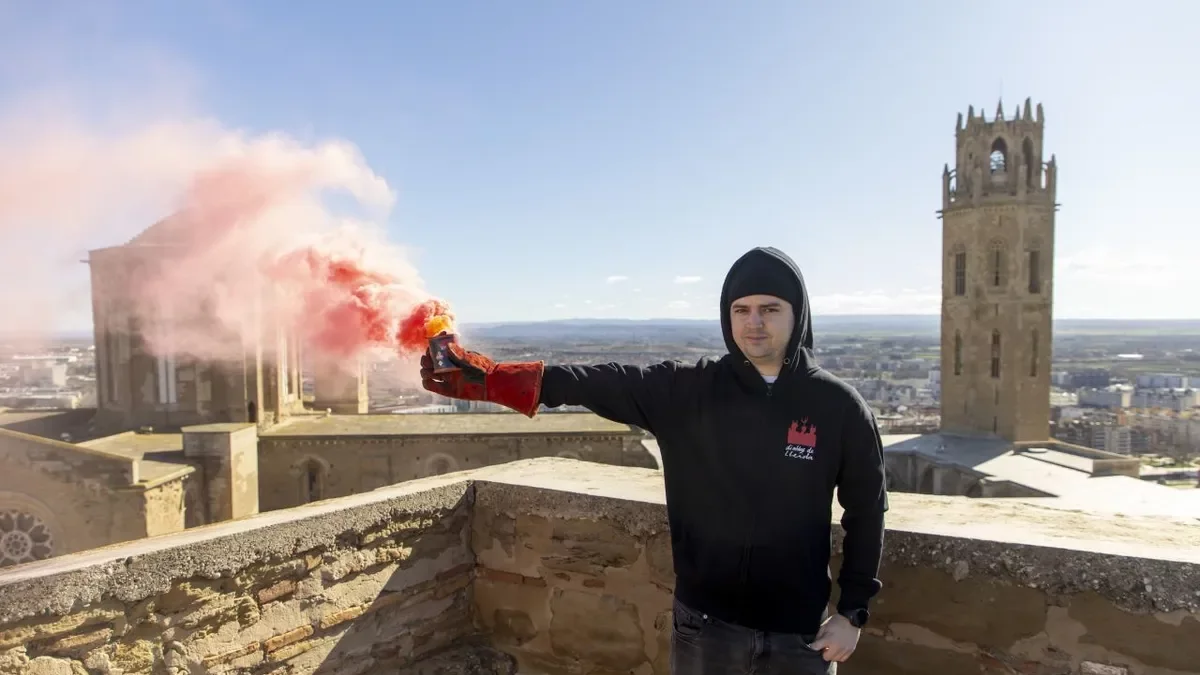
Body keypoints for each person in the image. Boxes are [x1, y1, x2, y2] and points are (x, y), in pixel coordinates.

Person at [420, 247, 888, 674]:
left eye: (770, 309)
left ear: (797, 315)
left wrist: (852, 614)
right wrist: (491, 380)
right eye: (741, 310)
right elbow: (591, 382)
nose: (754, 323)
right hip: (705, 627)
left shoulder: (838, 407)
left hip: (798, 637)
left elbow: (867, 510)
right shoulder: (687, 392)